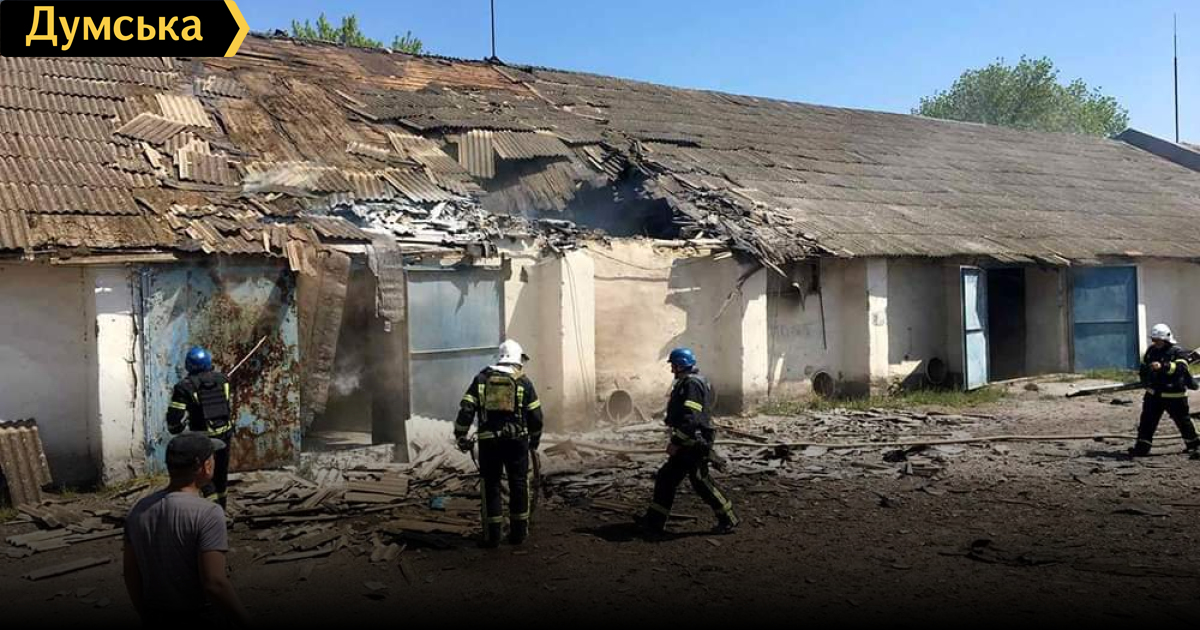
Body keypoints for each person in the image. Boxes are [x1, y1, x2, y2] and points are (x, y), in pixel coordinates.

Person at [123, 432, 251, 628]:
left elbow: (131, 573)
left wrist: (145, 614)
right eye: (212, 458)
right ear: (205, 466)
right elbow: (215, 583)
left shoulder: (138, 510)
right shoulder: (208, 513)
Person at [454, 339, 544, 547]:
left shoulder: (481, 378)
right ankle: (518, 534)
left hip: (489, 442)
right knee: (519, 483)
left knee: (491, 484)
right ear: (518, 359)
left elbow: (467, 409)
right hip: (517, 442)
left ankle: (493, 535)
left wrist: (460, 434)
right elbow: (536, 416)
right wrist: (534, 441)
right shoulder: (523, 381)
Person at [640, 347, 739, 536]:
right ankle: (654, 522)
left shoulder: (692, 384)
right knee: (666, 479)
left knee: (701, 481)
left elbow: (691, 418)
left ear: (681, 365)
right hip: (689, 440)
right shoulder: (690, 382)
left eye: (673, 365)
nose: (671, 369)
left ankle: (728, 518)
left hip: (694, 442)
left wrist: (676, 441)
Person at [167, 346, 234, 508]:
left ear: (188, 365)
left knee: (205, 475)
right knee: (221, 473)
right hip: (225, 434)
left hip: (203, 439)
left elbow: (175, 416)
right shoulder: (223, 380)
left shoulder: (184, 386)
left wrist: (175, 427)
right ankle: (222, 508)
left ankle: (213, 508)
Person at [1129, 323, 1200, 458]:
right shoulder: (1151, 351)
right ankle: (1142, 448)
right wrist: (1145, 380)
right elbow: (1145, 367)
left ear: (1166, 339)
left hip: (1174, 395)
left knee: (1183, 422)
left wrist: (1163, 366)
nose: (1155, 342)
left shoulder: (1177, 352)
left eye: (1158, 340)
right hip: (1153, 395)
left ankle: (1194, 446)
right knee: (1147, 422)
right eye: (1153, 340)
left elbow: (1181, 369)